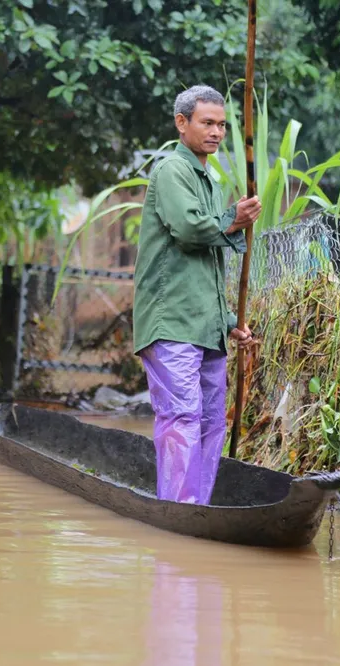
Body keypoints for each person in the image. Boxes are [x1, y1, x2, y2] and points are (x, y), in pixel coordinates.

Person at [132, 84, 262, 505]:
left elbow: (202, 271)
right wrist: (233, 219)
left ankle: (198, 507)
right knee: (182, 417)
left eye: (223, 125)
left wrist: (229, 324)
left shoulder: (206, 179)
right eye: (208, 123)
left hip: (205, 328)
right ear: (182, 123)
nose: (218, 132)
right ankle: (179, 511)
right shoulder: (172, 170)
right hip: (171, 325)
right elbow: (188, 232)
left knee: (209, 421)